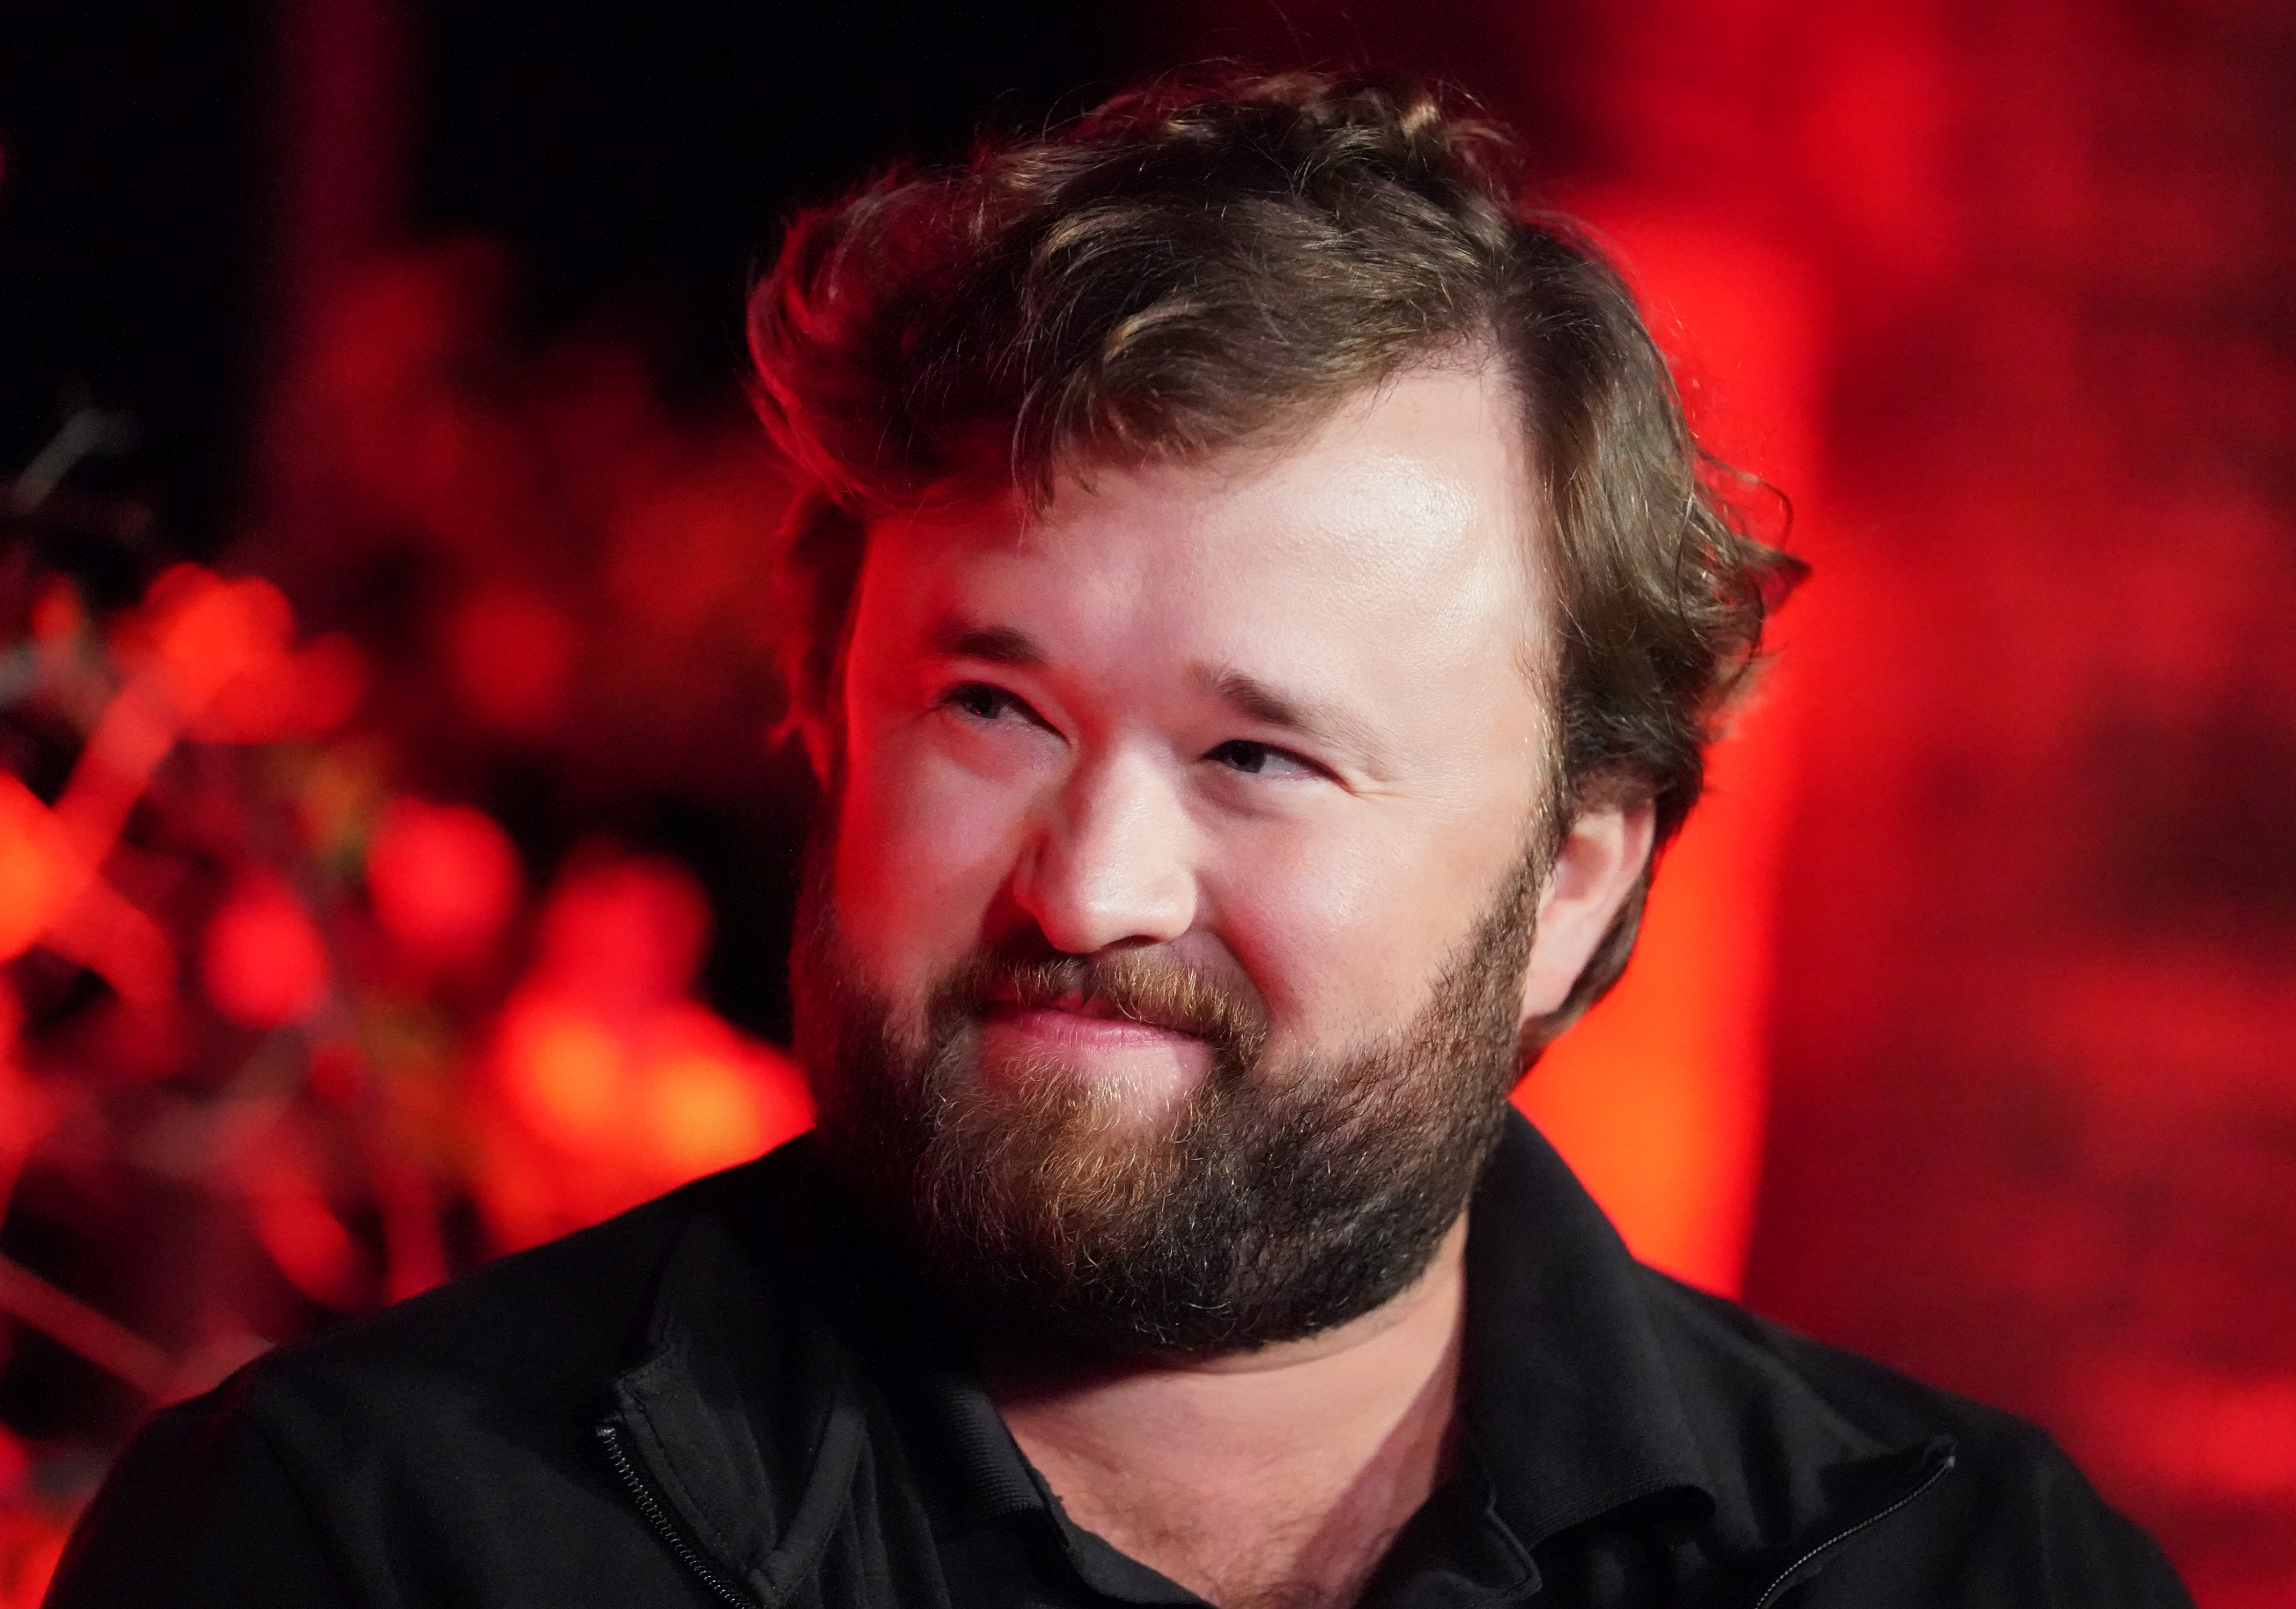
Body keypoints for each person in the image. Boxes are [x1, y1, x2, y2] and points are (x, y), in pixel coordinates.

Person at [47, 70, 2188, 1609]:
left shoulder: (1964, 1567)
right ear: (826, 728)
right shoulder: (359, 1540)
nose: (1088, 888)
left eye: (1260, 755)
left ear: (1575, 881)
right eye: (993, 711)